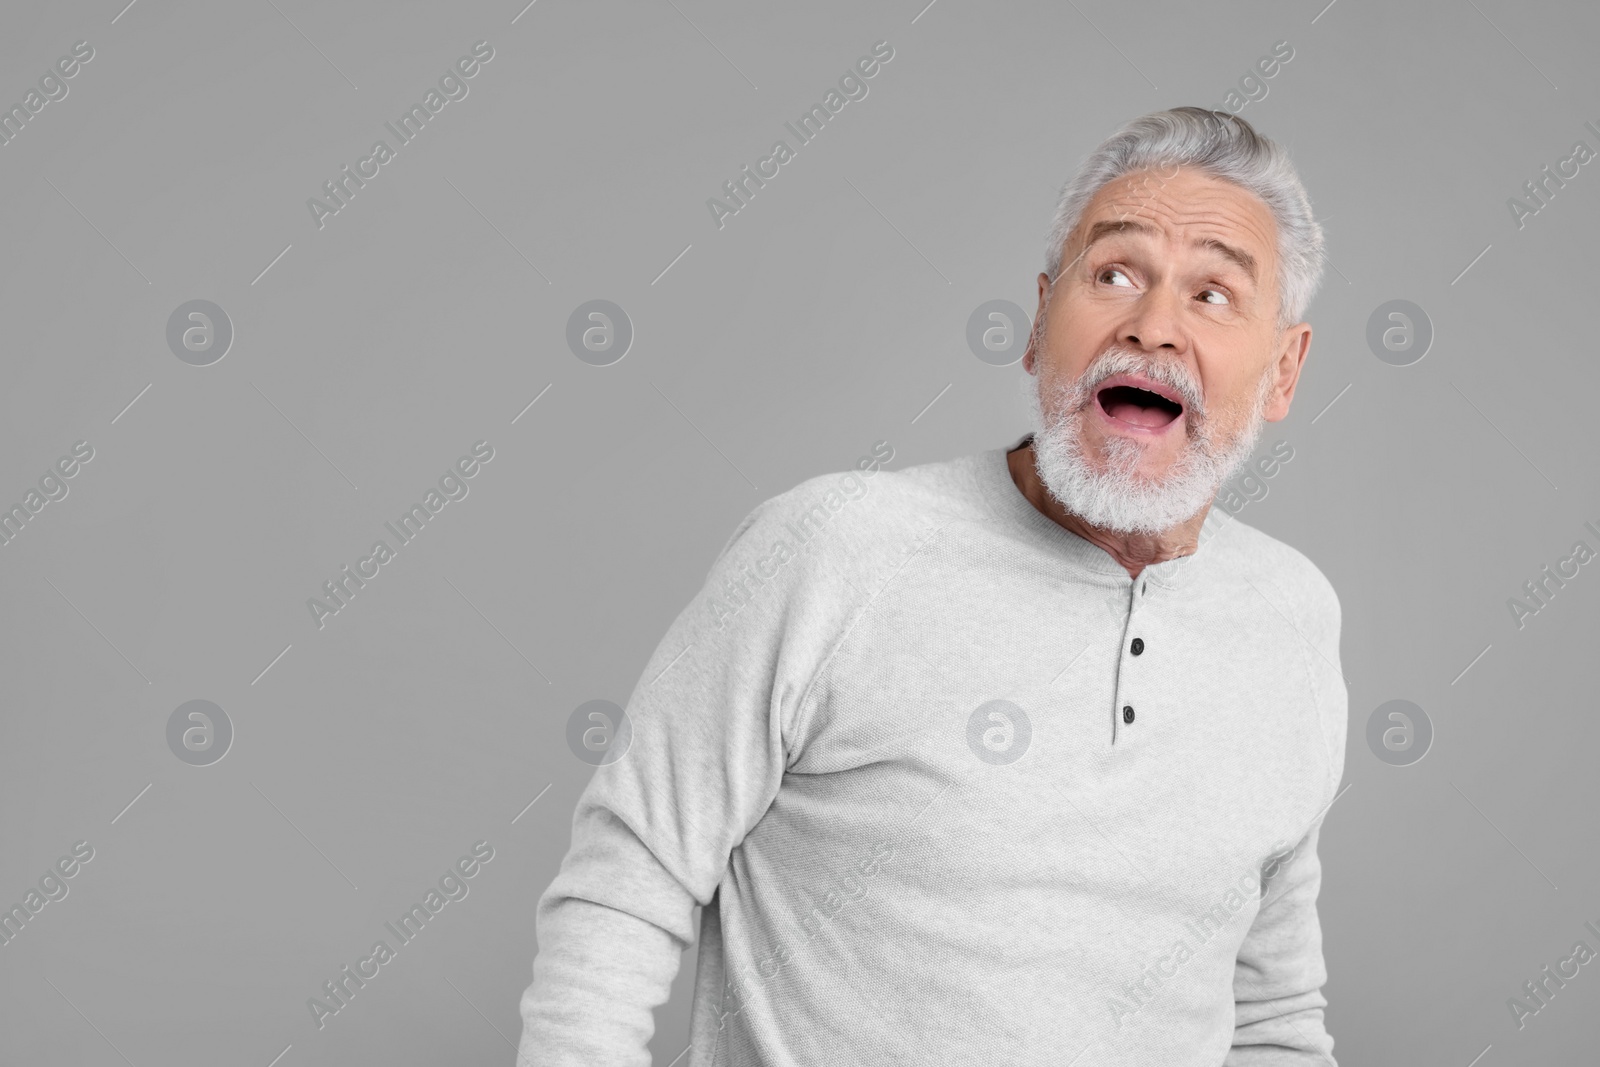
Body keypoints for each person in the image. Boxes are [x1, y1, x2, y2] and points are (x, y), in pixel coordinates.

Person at [517, 105, 1347, 1066]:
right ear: (1040, 322)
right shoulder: (836, 548)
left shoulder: (1293, 617)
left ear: (1283, 370)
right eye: (1113, 274)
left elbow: (1277, 1017)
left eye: (1213, 295)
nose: (1151, 328)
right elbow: (627, 882)